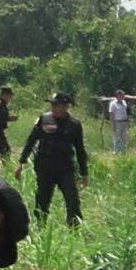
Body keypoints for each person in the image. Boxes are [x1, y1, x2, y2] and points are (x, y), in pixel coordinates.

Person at [15, 93, 88, 225]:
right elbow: (31, 141)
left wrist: (84, 174)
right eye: (52, 105)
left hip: (65, 168)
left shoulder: (74, 125)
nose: (53, 108)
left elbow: (80, 150)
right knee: (42, 200)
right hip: (45, 167)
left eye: (56, 105)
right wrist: (21, 162)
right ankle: (40, 227)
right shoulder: (44, 119)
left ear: (65, 106)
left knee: (73, 201)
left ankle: (74, 230)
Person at [108, 89, 130, 154]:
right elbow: (111, 114)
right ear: (117, 96)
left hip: (124, 122)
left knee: (124, 137)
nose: (122, 96)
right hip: (117, 122)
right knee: (117, 137)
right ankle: (116, 151)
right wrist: (113, 124)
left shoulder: (124, 102)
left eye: (123, 95)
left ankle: (123, 150)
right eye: (121, 95)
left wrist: (127, 122)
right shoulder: (113, 104)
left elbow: (126, 112)